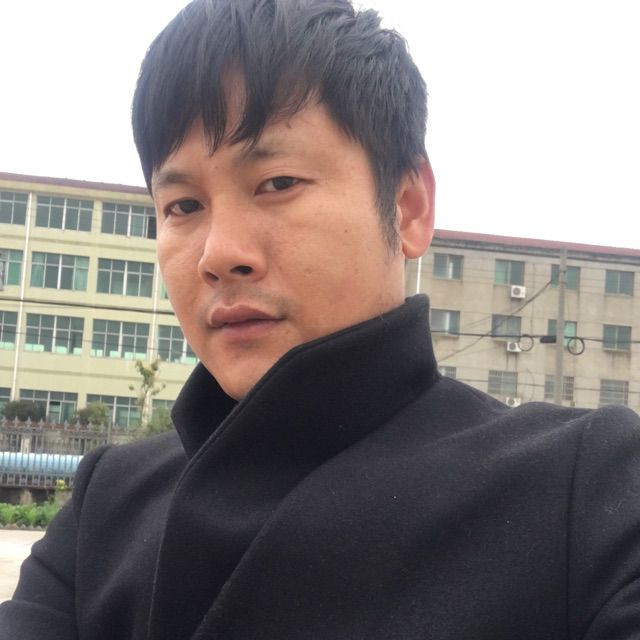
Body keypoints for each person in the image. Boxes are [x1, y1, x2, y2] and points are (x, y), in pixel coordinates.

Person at [2, 0, 640, 637]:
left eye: (277, 183)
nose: (219, 255)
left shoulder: (589, 490)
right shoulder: (106, 506)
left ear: (408, 207)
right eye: (183, 205)